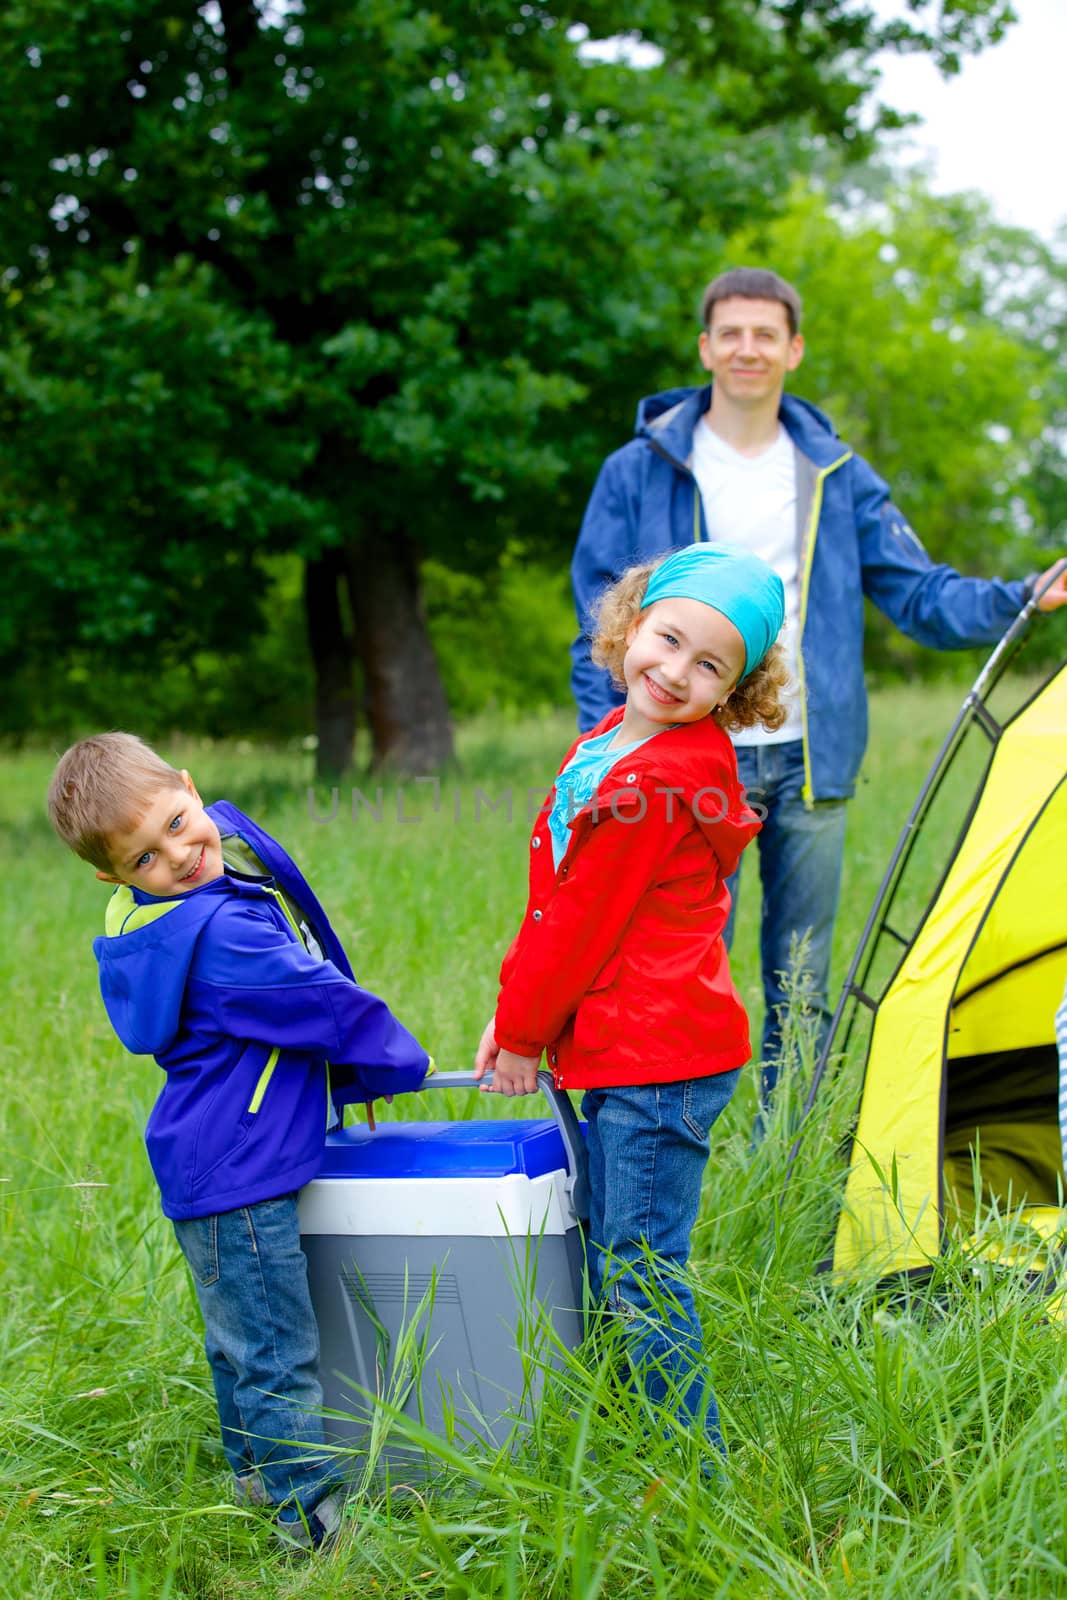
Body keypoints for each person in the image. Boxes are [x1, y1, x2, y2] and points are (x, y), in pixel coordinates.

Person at [570, 265, 1067, 1120]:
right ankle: (683, 1142)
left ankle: (780, 1158)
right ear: (704, 348)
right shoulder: (640, 468)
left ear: (792, 349)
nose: (747, 348)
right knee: (674, 971)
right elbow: (597, 620)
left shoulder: (833, 470)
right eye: (730, 332)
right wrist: (607, 751)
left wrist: (1018, 595)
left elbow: (916, 593)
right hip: (679, 760)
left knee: (799, 984)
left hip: (809, 758)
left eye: (766, 333)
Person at [47, 733, 430, 1553]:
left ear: (190, 788)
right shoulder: (221, 939)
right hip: (241, 1174)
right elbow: (321, 1002)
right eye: (147, 857)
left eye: (180, 824)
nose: (181, 856)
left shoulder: (159, 922)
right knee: (276, 1354)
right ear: (113, 877)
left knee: (241, 1345)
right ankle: (311, 1523)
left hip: (208, 1163)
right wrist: (401, 1062)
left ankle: (254, 1478)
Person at [474, 544, 787, 1461]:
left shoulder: (661, 776)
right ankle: (627, 1440)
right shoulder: (609, 739)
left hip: (660, 1055)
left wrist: (529, 1033)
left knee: (640, 1270)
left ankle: (694, 1470)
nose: (675, 672)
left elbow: (583, 921)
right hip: (620, 1042)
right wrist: (514, 1012)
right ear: (631, 623)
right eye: (668, 638)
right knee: (611, 1257)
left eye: (709, 667)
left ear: (733, 689)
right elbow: (553, 901)